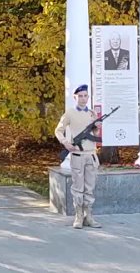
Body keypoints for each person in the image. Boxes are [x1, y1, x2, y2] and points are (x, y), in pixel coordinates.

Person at [55, 84, 102, 229]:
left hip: (91, 155)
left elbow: (95, 136)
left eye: (85, 96)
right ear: (75, 97)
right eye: (80, 96)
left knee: (89, 187)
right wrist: (65, 143)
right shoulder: (69, 113)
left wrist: (98, 128)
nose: (83, 99)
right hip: (77, 155)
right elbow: (58, 130)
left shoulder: (92, 114)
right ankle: (78, 216)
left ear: (88, 97)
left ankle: (89, 215)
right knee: (77, 187)